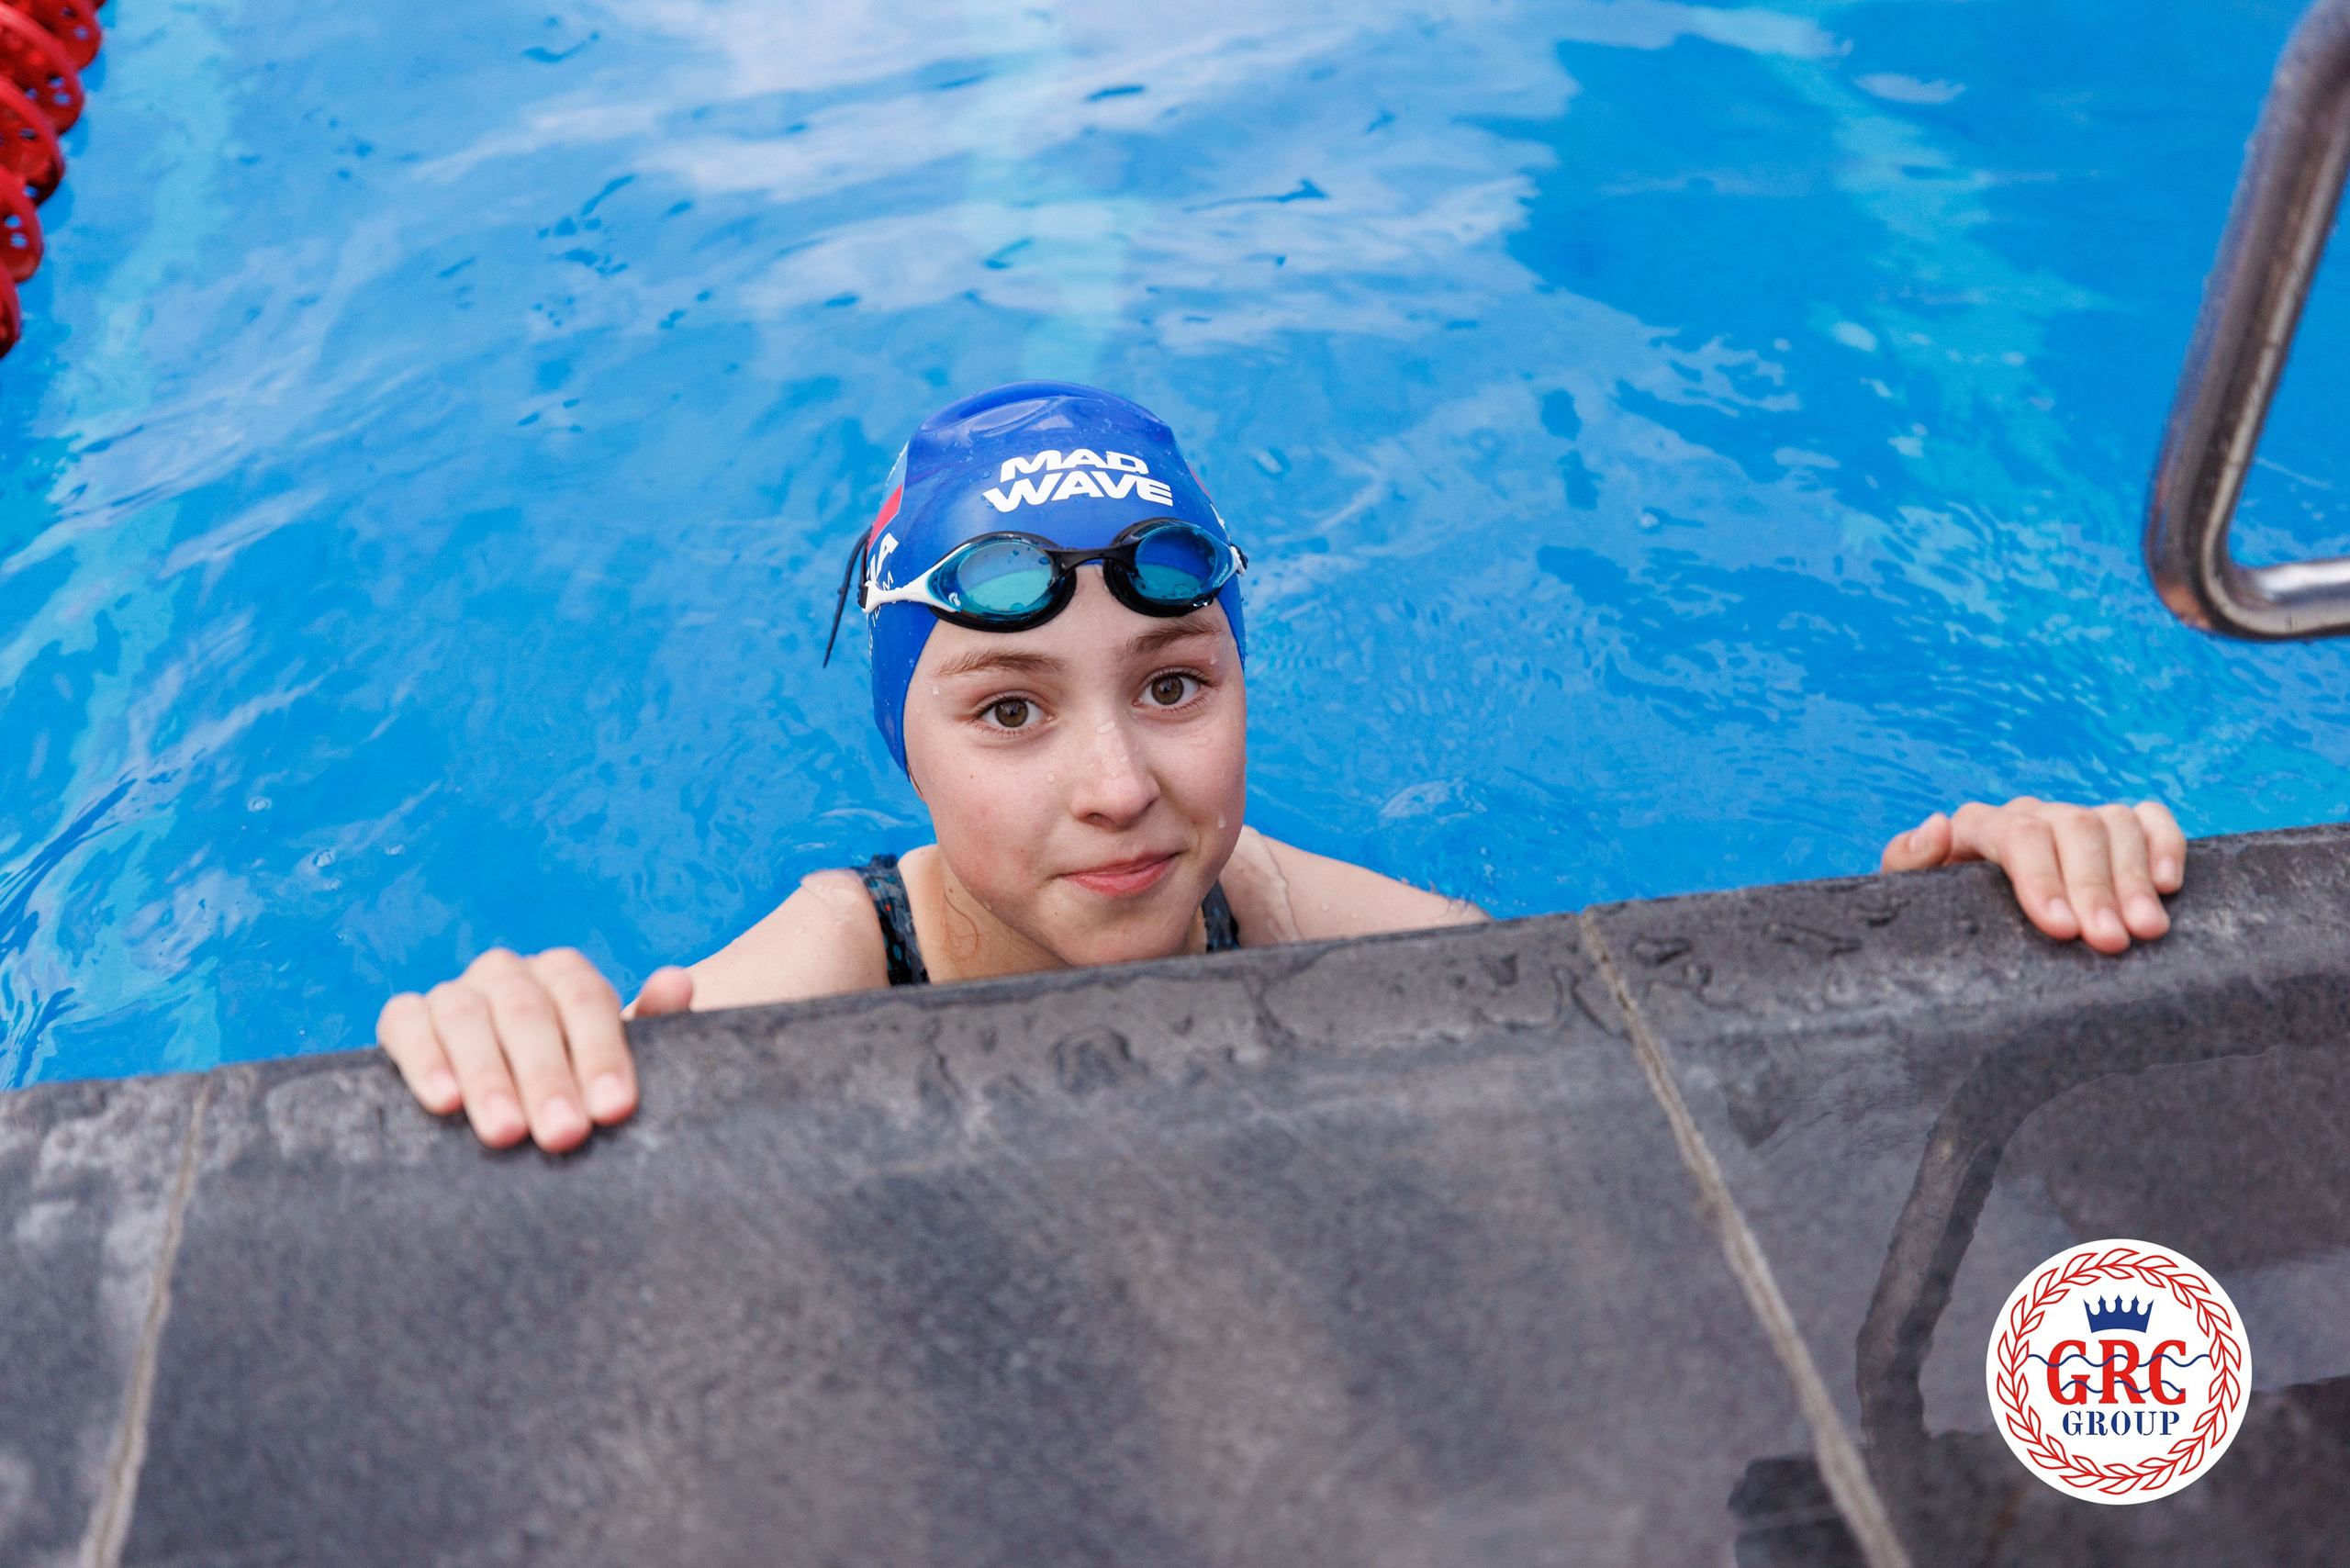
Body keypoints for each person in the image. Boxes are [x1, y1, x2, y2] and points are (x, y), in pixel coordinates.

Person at [375, 382, 2190, 1154]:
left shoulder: (1288, 904)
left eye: (1171, 685)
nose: (1114, 786)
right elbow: (637, 1087)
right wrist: (526, 1035)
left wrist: (1947, 921)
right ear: (908, 748)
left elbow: (1667, 1053)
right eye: (1006, 709)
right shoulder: (838, 954)